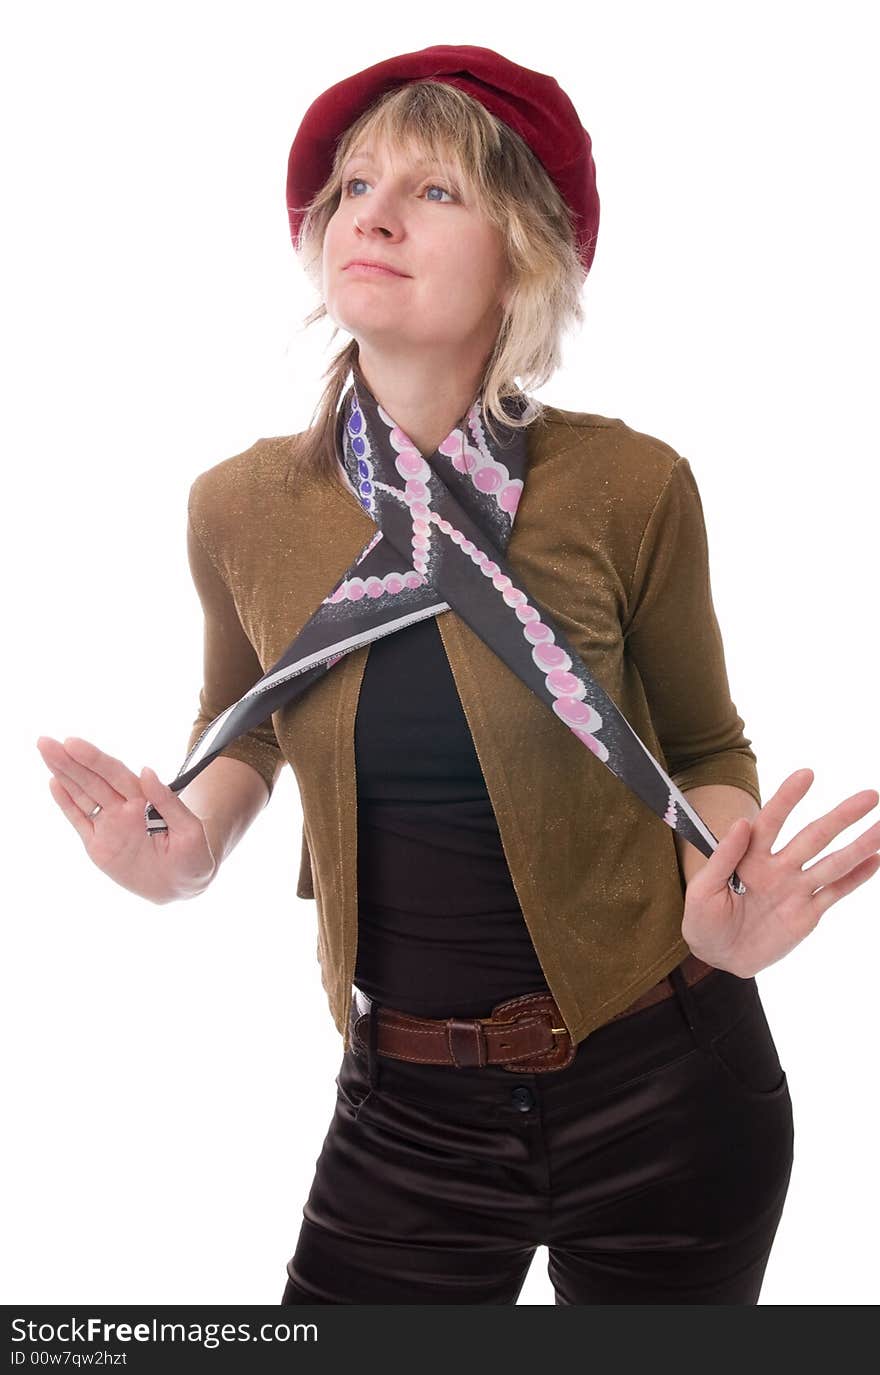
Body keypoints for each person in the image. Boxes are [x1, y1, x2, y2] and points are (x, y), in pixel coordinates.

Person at [36, 45, 880, 1305]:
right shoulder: (238, 507)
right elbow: (248, 725)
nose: (368, 211)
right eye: (354, 186)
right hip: (406, 1113)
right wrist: (194, 845)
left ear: (524, 256)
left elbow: (704, 744)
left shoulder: (629, 484)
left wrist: (720, 878)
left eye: (434, 192)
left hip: (669, 1077)